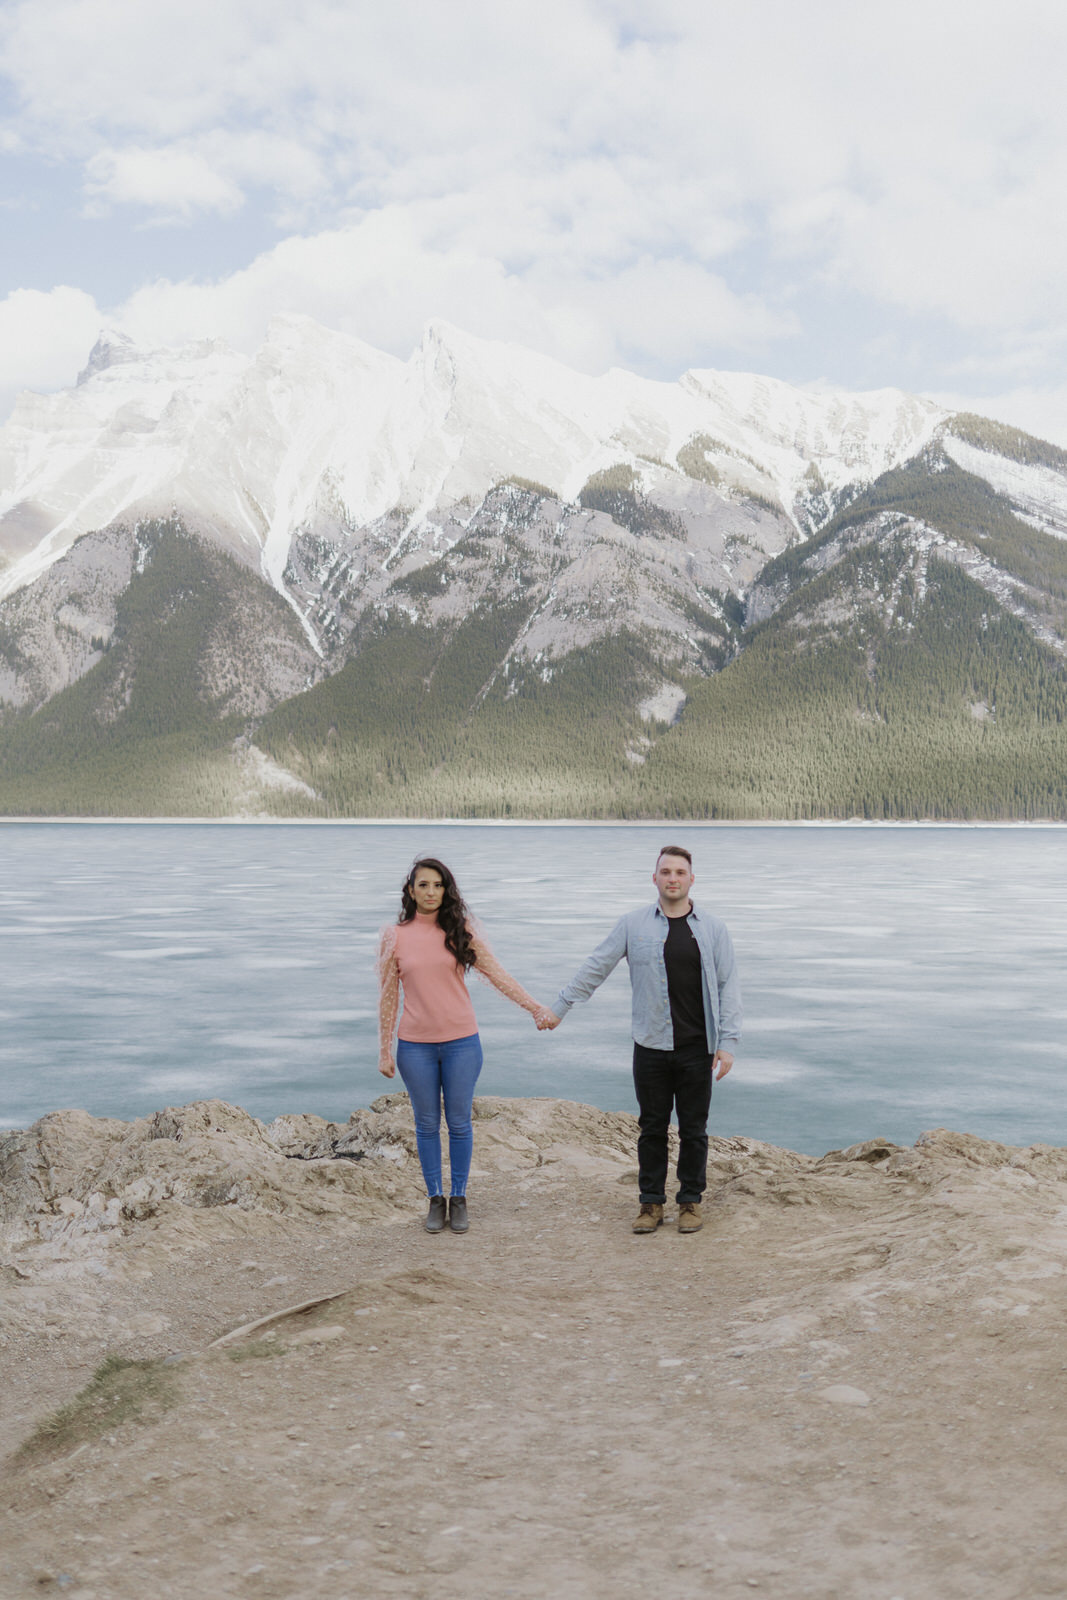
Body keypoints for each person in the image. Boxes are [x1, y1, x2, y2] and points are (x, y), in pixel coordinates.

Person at [538, 845, 740, 1234]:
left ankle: (690, 1202)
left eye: (680, 872)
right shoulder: (633, 924)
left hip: (699, 1047)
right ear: (655, 878)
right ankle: (650, 1205)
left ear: (691, 879)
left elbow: (728, 984)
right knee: (651, 1128)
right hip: (650, 1045)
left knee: (694, 1130)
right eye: (665, 872)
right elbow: (597, 965)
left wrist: (728, 1042)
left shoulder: (713, 929)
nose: (673, 878)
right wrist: (560, 1006)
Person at [378, 856, 555, 1233]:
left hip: (461, 1043)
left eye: (438, 885)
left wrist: (535, 1008)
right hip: (415, 1047)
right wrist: (384, 1049)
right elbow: (388, 996)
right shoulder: (395, 936)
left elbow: (497, 974)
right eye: (423, 885)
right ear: (411, 890)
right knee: (426, 1125)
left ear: (447, 890)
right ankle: (434, 1200)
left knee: (459, 1123)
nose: (431, 892)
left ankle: (458, 1198)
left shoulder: (460, 929)